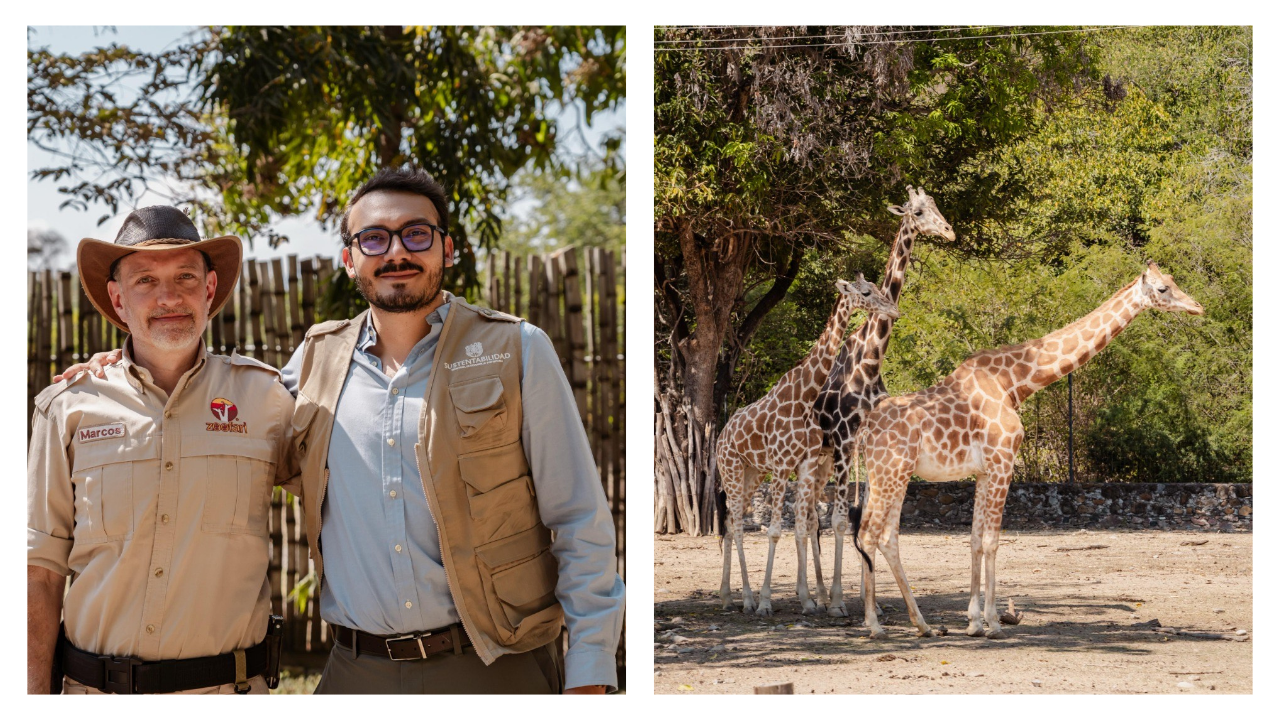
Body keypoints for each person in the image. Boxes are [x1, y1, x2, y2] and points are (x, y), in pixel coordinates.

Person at [62, 166, 625, 694]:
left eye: (417, 234)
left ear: (447, 249)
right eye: (374, 239)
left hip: (498, 666)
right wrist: (124, 367)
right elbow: (209, 417)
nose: (397, 252)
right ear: (350, 261)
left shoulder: (516, 350)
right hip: (358, 670)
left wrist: (590, 669)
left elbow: (579, 520)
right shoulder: (313, 364)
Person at [28, 206, 293, 694]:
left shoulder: (270, 400)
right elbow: (38, 574)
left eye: (185, 277)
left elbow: (338, 497)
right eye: (145, 280)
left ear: (209, 289)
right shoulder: (66, 408)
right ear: (118, 299)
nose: (168, 297)